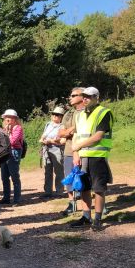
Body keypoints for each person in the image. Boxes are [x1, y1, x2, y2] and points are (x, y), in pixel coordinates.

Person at [70, 87, 114, 231]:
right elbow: (76, 135)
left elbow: (98, 136)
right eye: (84, 96)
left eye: (89, 96)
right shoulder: (79, 114)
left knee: (99, 189)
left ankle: (98, 219)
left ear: (97, 97)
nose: (85, 99)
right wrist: (76, 154)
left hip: (97, 156)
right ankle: (86, 217)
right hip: (82, 157)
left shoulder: (104, 112)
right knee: (84, 188)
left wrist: (78, 147)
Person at [58, 87, 85, 216]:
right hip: (69, 150)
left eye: (74, 95)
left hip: (86, 150)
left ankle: (98, 205)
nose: (70, 97)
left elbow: (83, 130)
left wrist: (70, 131)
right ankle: (71, 204)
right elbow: (60, 133)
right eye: (71, 95)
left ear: (82, 96)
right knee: (69, 177)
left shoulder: (88, 112)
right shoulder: (68, 114)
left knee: (88, 178)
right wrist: (72, 129)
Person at [0, 109, 24, 205]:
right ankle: (6, 197)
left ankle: (17, 199)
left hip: (14, 152)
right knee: (4, 176)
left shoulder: (18, 128)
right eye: (6, 117)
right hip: (5, 153)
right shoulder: (4, 128)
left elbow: (12, 141)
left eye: (10, 117)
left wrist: (8, 132)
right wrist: (6, 130)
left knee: (14, 176)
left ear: (14, 119)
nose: (7, 119)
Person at [39, 106, 65, 198]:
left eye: (57, 115)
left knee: (59, 172)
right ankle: (48, 191)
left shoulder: (62, 126)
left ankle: (59, 192)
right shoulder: (48, 124)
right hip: (47, 149)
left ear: (61, 117)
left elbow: (63, 141)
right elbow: (43, 135)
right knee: (47, 171)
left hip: (57, 149)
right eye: (53, 114)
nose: (54, 116)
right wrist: (42, 139)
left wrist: (50, 141)